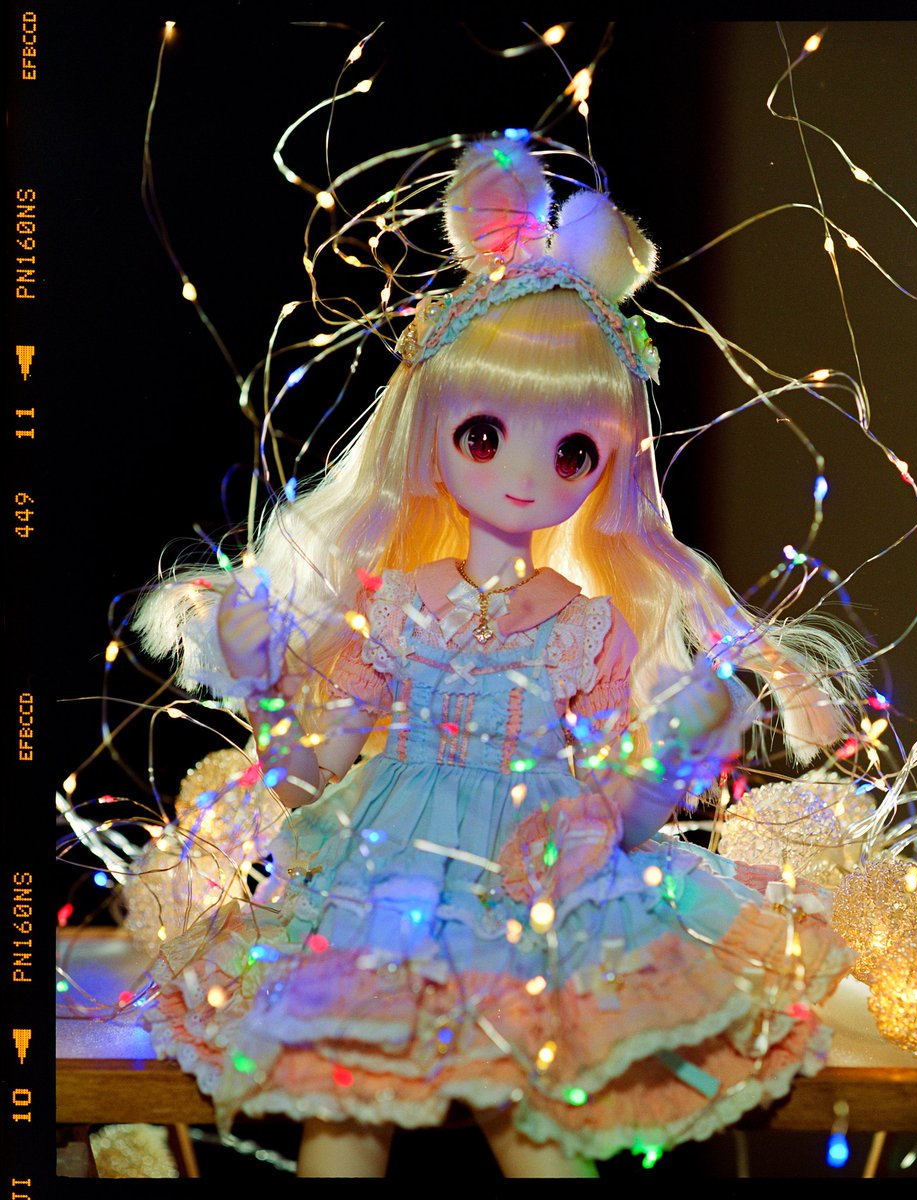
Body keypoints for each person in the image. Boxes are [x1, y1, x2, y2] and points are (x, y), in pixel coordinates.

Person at [133, 136, 862, 1177]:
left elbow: (616, 802)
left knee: (536, 1116)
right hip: (381, 886)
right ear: (428, 433)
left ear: (609, 466)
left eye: (572, 451)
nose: (525, 475)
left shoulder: (584, 626)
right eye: (483, 435)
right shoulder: (393, 609)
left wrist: (671, 757)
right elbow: (305, 775)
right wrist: (261, 681)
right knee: (343, 1111)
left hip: (533, 885)